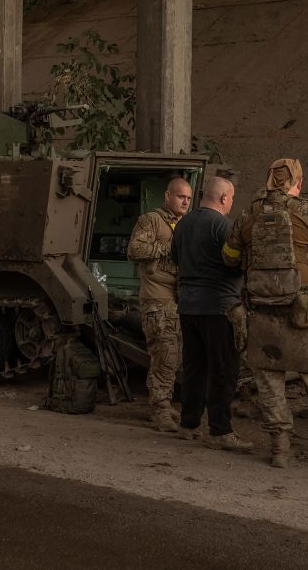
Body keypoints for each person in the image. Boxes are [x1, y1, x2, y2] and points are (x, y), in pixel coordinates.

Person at [222, 159, 308, 469]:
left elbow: (229, 258)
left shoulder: (248, 215)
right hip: (306, 312)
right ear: (299, 182)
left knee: (269, 380)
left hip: (262, 311)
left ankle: (280, 448)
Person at [171, 175, 251, 451]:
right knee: (223, 369)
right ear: (224, 198)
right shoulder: (224, 225)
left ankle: (188, 425)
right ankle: (220, 430)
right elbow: (236, 263)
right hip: (219, 308)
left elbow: (174, 258)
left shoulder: (183, 224)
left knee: (194, 368)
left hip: (188, 307)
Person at [128, 177, 192, 432]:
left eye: (188, 198)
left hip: (178, 299)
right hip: (157, 299)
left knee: (174, 357)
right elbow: (135, 250)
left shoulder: (185, 223)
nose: (185, 201)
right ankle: (160, 410)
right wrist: (171, 246)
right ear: (167, 196)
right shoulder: (152, 220)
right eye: (180, 197)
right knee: (163, 355)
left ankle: (164, 404)